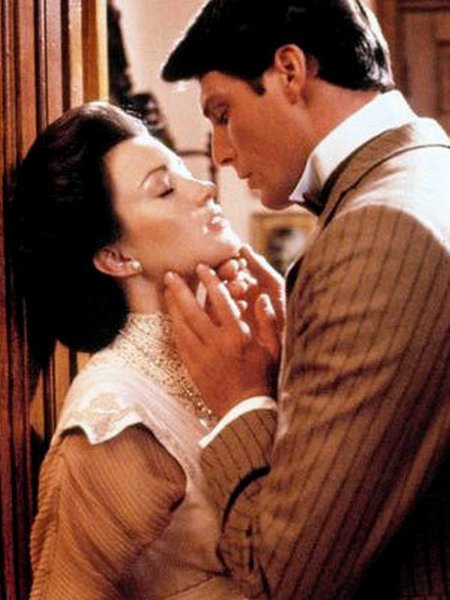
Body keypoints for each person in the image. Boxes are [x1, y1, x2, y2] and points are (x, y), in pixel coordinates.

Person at [160, 0, 450, 598]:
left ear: (289, 71)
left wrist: (240, 400)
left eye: (223, 114)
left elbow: (285, 581)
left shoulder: (377, 233)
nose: (220, 153)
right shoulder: (425, 176)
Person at [14, 101, 250, 599]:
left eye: (184, 172)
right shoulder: (115, 416)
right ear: (116, 257)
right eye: (165, 188)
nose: (204, 189)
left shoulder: (240, 351)